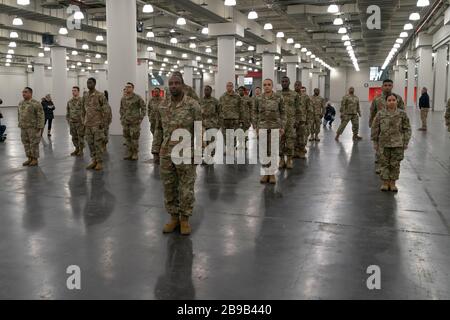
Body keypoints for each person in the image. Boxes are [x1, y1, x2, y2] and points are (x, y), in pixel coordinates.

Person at [152, 74, 202, 236]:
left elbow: (200, 130)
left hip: (186, 152)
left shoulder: (192, 105)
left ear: (182, 85)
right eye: (171, 83)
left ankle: (185, 219)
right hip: (166, 152)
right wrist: (155, 150)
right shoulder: (162, 105)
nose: (173, 86)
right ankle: (174, 217)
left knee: (186, 187)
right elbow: (158, 129)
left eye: (177, 83)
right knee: (169, 186)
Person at [371, 93, 411, 192]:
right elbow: (375, 128)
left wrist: (405, 142)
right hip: (383, 143)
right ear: (386, 102)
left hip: (397, 143)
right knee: (384, 163)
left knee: (395, 164)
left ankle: (393, 183)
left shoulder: (402, 114)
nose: (392, 102)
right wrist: (375, 142)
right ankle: (385, 183)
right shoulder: (380, 114)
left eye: (394, 100)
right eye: (389, 100)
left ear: (397, 101)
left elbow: (407, 129)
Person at [253, 79, 286, 184]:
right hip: (262, 127)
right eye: (265, 85)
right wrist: (256, 126)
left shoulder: (278, 97)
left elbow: (283, 113)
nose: (266, 86)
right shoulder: (258, 98)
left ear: (272, 86)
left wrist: (282, 127)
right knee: (263, 152)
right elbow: (254, 113)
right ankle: (265, 173)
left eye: (269, 85)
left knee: (273, 151)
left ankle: (272, 174)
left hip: (275, 127)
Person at [369, 79, 405, 174]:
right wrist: (371, 124)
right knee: (379, 148)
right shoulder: (377, 99)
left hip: (394, 128)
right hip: (380, 127)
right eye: (385, 85)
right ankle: (380, 166)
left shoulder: (398, 98)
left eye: (389, 85)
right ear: (382, 86)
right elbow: (372, 112)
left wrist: (402, 127)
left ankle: (391, 167)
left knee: (392, 149)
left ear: (392, 86)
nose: (387, 87)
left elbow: (403, 112)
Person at [82, 78, 111, 171]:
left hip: (97, 124)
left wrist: (104, 123)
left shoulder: (100, 95)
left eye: (90, 83)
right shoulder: (85, 95)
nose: (88, 84)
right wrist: (84, 121)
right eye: (87, 83)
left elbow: (106, 110)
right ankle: (94, 160)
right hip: (88, 124)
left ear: (94, 84)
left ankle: (99, 162)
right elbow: (83, 110)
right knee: (90, 144)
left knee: (98, 144)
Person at [18, 87, 45, 166]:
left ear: (30, 93)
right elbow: (19, 114)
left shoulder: (35, 103)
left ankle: (35, 159)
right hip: (23, 127)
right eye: (23, 92)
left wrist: (40, 127)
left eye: (25, 92)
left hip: (33, 127)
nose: (23, 94)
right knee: (25, 143)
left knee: (34, 143)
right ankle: (29, 158)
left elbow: (41, 115)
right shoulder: (21, 103)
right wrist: (19, 123)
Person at [277, 76, 300, 169]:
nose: (284, 83)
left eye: (286, 81)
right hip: (280, 122)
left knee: (290, 140)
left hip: (291, 121)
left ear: (289, 82)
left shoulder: (294, 94)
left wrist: (297, 120)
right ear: (281, 83)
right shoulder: (277, 94)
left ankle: (289, 159)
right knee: (280, 141)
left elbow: (298, 109)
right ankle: (281, 159)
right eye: (283, 81)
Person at [120, 82, 146, 161]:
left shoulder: (137, 97)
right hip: (126, 122)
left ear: (133, 88)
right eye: (126, 87)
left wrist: (141, 118)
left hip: (134, 122)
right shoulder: (123, 98)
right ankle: (129, 153)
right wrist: (122, 118)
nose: (128, 88)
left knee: (134, 138)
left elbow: (143, 108)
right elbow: (121, 109)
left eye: (129, 87)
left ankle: (135, 153)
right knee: (127, 138)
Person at [219, 82, 244, 151]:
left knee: (233, 135)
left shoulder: (237, 96)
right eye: (228, 86)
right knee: (225, 135)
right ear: (226, 87)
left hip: (234, 120)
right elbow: (219, 108)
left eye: (230, 86)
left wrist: (241, 120)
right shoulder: (222, 97)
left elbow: (241, 108)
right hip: (225, 119)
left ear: (233, 87)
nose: (229, 87)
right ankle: (228, 148)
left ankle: (232, 148)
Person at [200, 85, 220, 164]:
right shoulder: (200, 101)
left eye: (208, 90)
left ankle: (211, 157)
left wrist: (218, 125)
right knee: (204, 142)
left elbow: (220, 113)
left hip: (212, 125)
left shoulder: (215, 101)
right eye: (205, 90)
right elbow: (197, 113)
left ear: (211, 91)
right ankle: (205, 158)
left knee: (212, 142)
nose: (206, 91)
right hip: (203, 125)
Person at [66, 86, 85, 156]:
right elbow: (68, 112)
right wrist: (68, 120)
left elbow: (85, 111)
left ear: (78, 92)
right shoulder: (69, 101)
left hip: (80, 122)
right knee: (74, 137)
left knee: (80, 136)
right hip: (72, 122)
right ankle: (76, 149)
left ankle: (81, 150)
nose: (73, 92)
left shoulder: (82, 101)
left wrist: (84, 121)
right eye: (72, 90)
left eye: (75, 90)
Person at [293, 82, 310, 159]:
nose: (297, 86)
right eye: (295, 85)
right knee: (293, 136)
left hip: (302, 119)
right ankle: (295, 151)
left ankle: (302, 151)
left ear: (301, 86)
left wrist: (307, 119)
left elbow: (309, 109)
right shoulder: (291, 95)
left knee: (302, 136)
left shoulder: (305, 97)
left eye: (298, 85)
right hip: (292, 120)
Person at [148, 87, 164, 164]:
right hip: (153, 122)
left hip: (160, 122)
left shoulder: (163, 100)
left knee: (160, 137)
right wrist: (149, 117)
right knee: (155, 136)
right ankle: (156, 153)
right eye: (154, 91)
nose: (155, 93)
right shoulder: (151, 100)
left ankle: (159, 153)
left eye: (157, 91)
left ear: (159, 92)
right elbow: (149, 109)